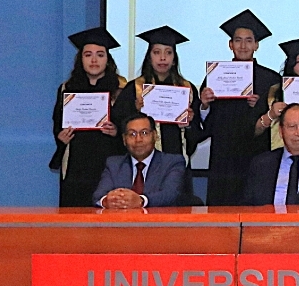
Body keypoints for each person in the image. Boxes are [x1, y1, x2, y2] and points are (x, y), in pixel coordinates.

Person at [201, 10, 281, 206]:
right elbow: (205, 124)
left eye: (248, 40)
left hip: (257, 156)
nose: (243, 46)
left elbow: (278, 120)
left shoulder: (271, 80)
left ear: (256, 45)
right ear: (230, 45)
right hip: (223, 157)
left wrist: (259, 106)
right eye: (238, 40)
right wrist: (204, 104)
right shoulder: (216, 77)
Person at [51, 27, 127, 208]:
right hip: (76, 167)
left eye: (100, 55)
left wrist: (117, 131)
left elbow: (130, 126)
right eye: (88, 55)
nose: (94, 60)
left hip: (110, 166)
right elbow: (58, 125)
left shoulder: (122, 89)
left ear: (108, 59)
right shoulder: (67, 89)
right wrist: (61, 138)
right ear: (81, 59)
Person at [113, 26, 204, 163]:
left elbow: (196, 133)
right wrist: (135, 111)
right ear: (149, 57)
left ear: (174, 60)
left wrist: (189, 123)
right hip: (141, 164)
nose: (162, 58)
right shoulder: (135, 89)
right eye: (156, 52)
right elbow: (118, 125)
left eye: (168, 53)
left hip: (176, 160)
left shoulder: (187, 89)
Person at [93, 113, 187, 208]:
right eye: (132, 134)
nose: (138, 139)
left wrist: (141, 200)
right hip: (122, 221)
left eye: (144, 133)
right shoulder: (114, 164)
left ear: (155, 135)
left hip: (159, 221)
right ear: (124, 139)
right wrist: (106, 201)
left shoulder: (172, 162)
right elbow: (99, 196)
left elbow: (170, 194)